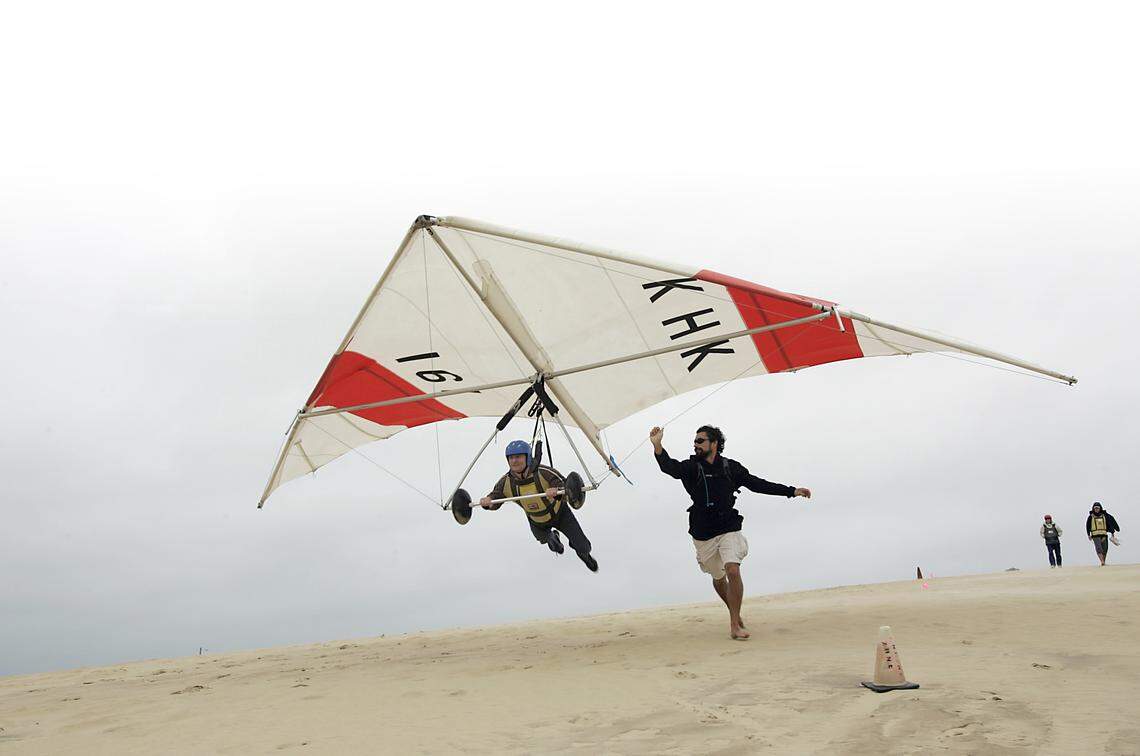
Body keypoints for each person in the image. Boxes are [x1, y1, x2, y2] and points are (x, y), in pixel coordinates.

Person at [650, 424, 810, 640]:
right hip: (703, 531)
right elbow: (670, 467)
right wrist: (658, 445)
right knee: (718, 577)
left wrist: (791, 491)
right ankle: (733, 611)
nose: (695, 444)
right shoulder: (691, 467)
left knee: (733, 570)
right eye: (695, 441)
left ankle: (735, 623)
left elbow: (756, 483)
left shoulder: (729, 467)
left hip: (728, 525)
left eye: (700, 440)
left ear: (714, 444)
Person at [479, 440, 598, 572]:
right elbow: (496, 496)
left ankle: (584, 555)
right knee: (553, 545)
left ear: (527, 457)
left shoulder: (544, 472)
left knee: (583, 546)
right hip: (537, 522)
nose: (514, 461)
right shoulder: (506, 481)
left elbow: (566, 486)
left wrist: (557, 491)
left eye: (518, 457)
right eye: (511, 458)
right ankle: (553, 538)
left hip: (560, 515)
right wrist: (488, 502)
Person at [1085, 502, 1121, 566]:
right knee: (1099, 548)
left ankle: (1103, 561)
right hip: (1095, 535)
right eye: (1095, 508)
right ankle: (1102, 561)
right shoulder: (1090, 517)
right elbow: (1087, 526)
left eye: (1098, 508)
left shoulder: (1105, 516)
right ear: (1093, 508)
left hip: (1104, 534)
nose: (1096, 509)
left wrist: (1113, 532)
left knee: (1105, 549)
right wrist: (1088, 534)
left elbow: (1110, 523)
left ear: (1100, 508)